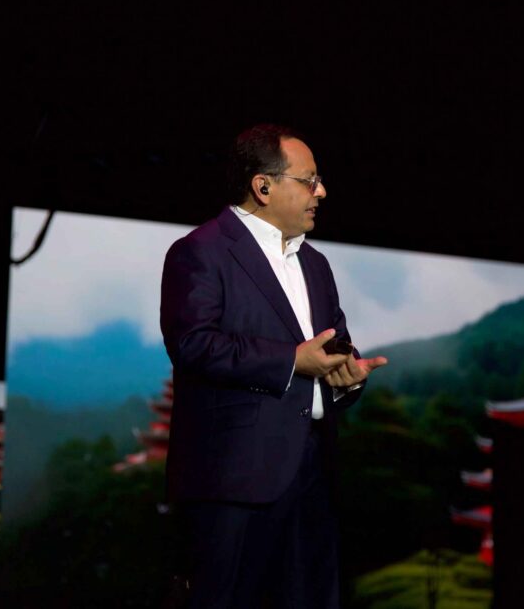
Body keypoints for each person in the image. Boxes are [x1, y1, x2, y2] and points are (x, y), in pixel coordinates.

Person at [160, 124, 388, 608]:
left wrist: (344, 379)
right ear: (263, 186)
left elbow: (330, 350)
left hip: (312, 479)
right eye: (309, 180)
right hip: (233, 484)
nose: (321, 193)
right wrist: (291, 361)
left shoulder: (317, 265)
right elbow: (194, 345)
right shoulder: (200, 252)